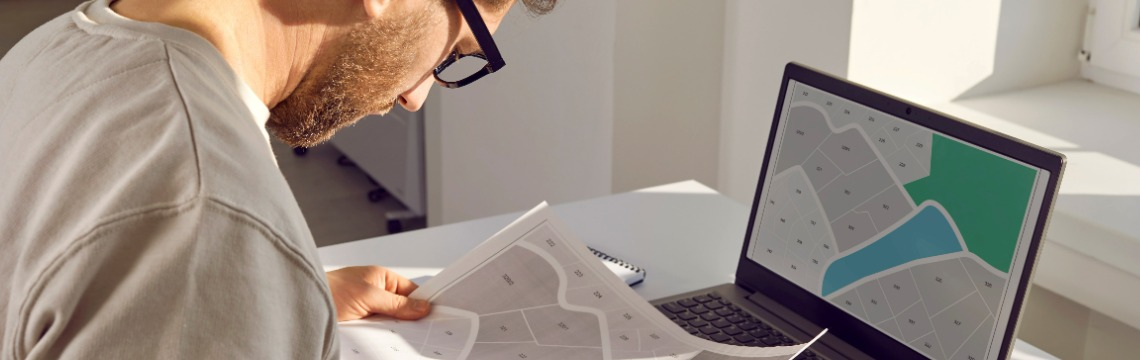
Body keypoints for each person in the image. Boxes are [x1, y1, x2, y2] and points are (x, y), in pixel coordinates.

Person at [0, 0, 554, 357]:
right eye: (453, 52)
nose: (414, 97)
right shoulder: (205, 212)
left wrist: (263, 299)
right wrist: (227, 267)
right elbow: (185, 228)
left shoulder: (54, 46)